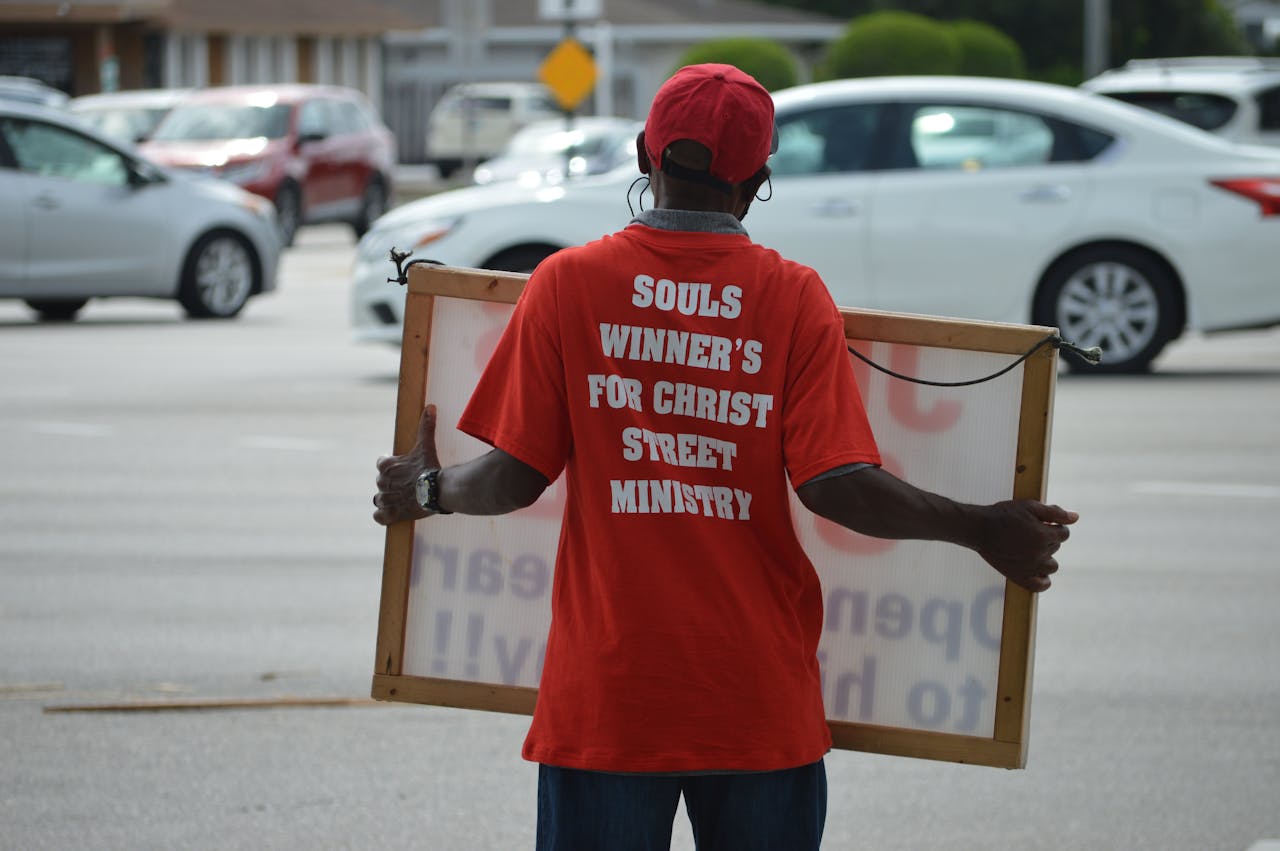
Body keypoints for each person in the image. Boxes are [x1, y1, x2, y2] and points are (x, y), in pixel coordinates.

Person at [373, 63, 1077, 851]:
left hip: (610, 701)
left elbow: (511, 478)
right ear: (759, 181)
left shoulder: (566, 284)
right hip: (756, 704)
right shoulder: (793, 296)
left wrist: (427, 489)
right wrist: (983, 526)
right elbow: (836, 485)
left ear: (645, 155)